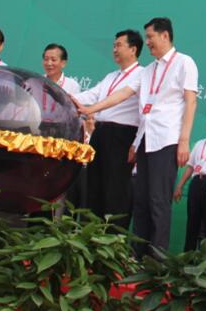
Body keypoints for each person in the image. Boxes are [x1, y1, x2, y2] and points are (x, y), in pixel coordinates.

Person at [82, 17, 198, 257]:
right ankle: (137, 256)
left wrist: (184, 140)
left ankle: (157, 259)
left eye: (150, 37)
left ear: (165, 35)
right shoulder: (149, 70)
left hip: (167, 140)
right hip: (145, 140)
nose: (148, 42)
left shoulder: (184, 62)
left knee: (158, 201)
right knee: (141, 201)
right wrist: (91, 109)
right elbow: (124, 94)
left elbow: (190, 102)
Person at [73, 29, 144, 225]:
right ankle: (90, 234)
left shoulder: (142, 74)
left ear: (133, 49)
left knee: (115, 189)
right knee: (94, 186)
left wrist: (136, 143)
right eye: (113, 45)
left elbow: (122, 99)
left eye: (118, 45)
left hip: (122, 136)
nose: (114, 49)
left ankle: (113, 236)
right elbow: (92, 94)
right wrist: (66, 97)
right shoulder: (111, 76)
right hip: (101, 132)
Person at [175, 111, 206, 250]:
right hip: (196, 182)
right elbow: (190, 167)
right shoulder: (199, 143)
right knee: (192, 221)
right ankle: (188, 256)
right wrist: (179, 186)